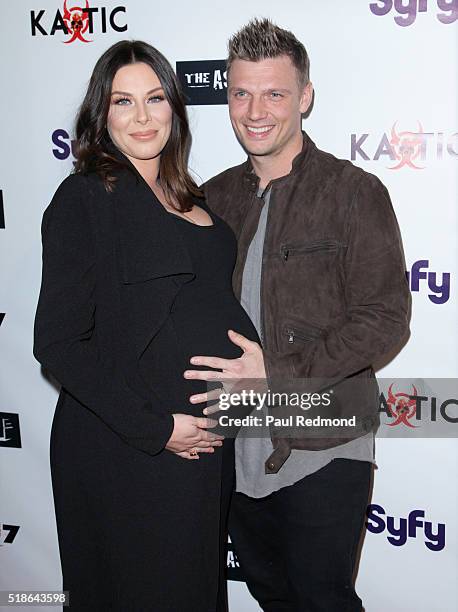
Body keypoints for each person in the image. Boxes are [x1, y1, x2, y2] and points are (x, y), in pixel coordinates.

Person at [184, 19, 411, 611]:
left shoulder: (354, 192)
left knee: (321, 600)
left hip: (324, 440)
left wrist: (275, 373)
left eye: (275, 93)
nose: (255, 110)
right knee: (274, 598)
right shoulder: (210, 199)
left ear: (305, 96)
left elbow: (384, 318)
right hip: (234, 447)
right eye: (241, 92)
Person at [33, 40, 259, 612]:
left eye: (155, 98)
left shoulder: (191, 197)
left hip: (201, 449)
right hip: (130, 449)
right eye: (122, 101)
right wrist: (157, 428)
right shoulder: (87, 196)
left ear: (174, 109)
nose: (141, 116)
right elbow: (58, 343)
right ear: (100, 115)